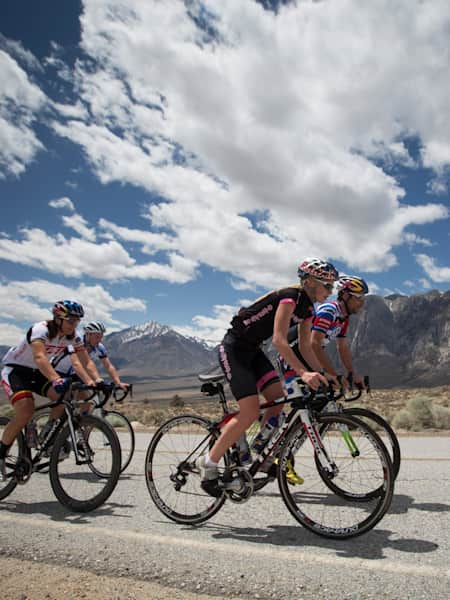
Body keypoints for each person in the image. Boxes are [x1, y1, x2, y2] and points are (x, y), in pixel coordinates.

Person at [196, 258, 339, 496]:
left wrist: (324, 374)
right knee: (250, 411)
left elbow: (305, 347)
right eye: (328, 286)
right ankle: (208, 463)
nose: (331, 291)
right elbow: (279, 340)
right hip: (234, 349)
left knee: (277, 401)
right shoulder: (290, 296)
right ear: (311, 282)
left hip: (253, 351)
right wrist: (303, 373)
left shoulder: (309, 310)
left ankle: (259, 454)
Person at [0, 301, 97, 479]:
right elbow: (39, 356)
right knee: (26, 409)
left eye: (77, 322)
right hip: (15, 370)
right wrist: (55, 379)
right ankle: (2, 450)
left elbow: (85, 361)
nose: (74, 325)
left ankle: (48, 436)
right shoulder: (41, 329)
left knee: (65, 395)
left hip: (37, 373)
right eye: (70, 321)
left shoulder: (72, 336)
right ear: (58, 319)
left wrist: (96, 381)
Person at [55, 321, 129, 391]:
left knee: (89, 400)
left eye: (101, 337)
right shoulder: (75, 342)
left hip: (75, 374)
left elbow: (108, 366)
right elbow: (76, 364)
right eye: (97, 337)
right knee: (65, 400)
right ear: (87, 334)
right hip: (58, 372)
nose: (99, 340)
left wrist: (118, 383)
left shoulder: (99, 347)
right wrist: (91, 380)